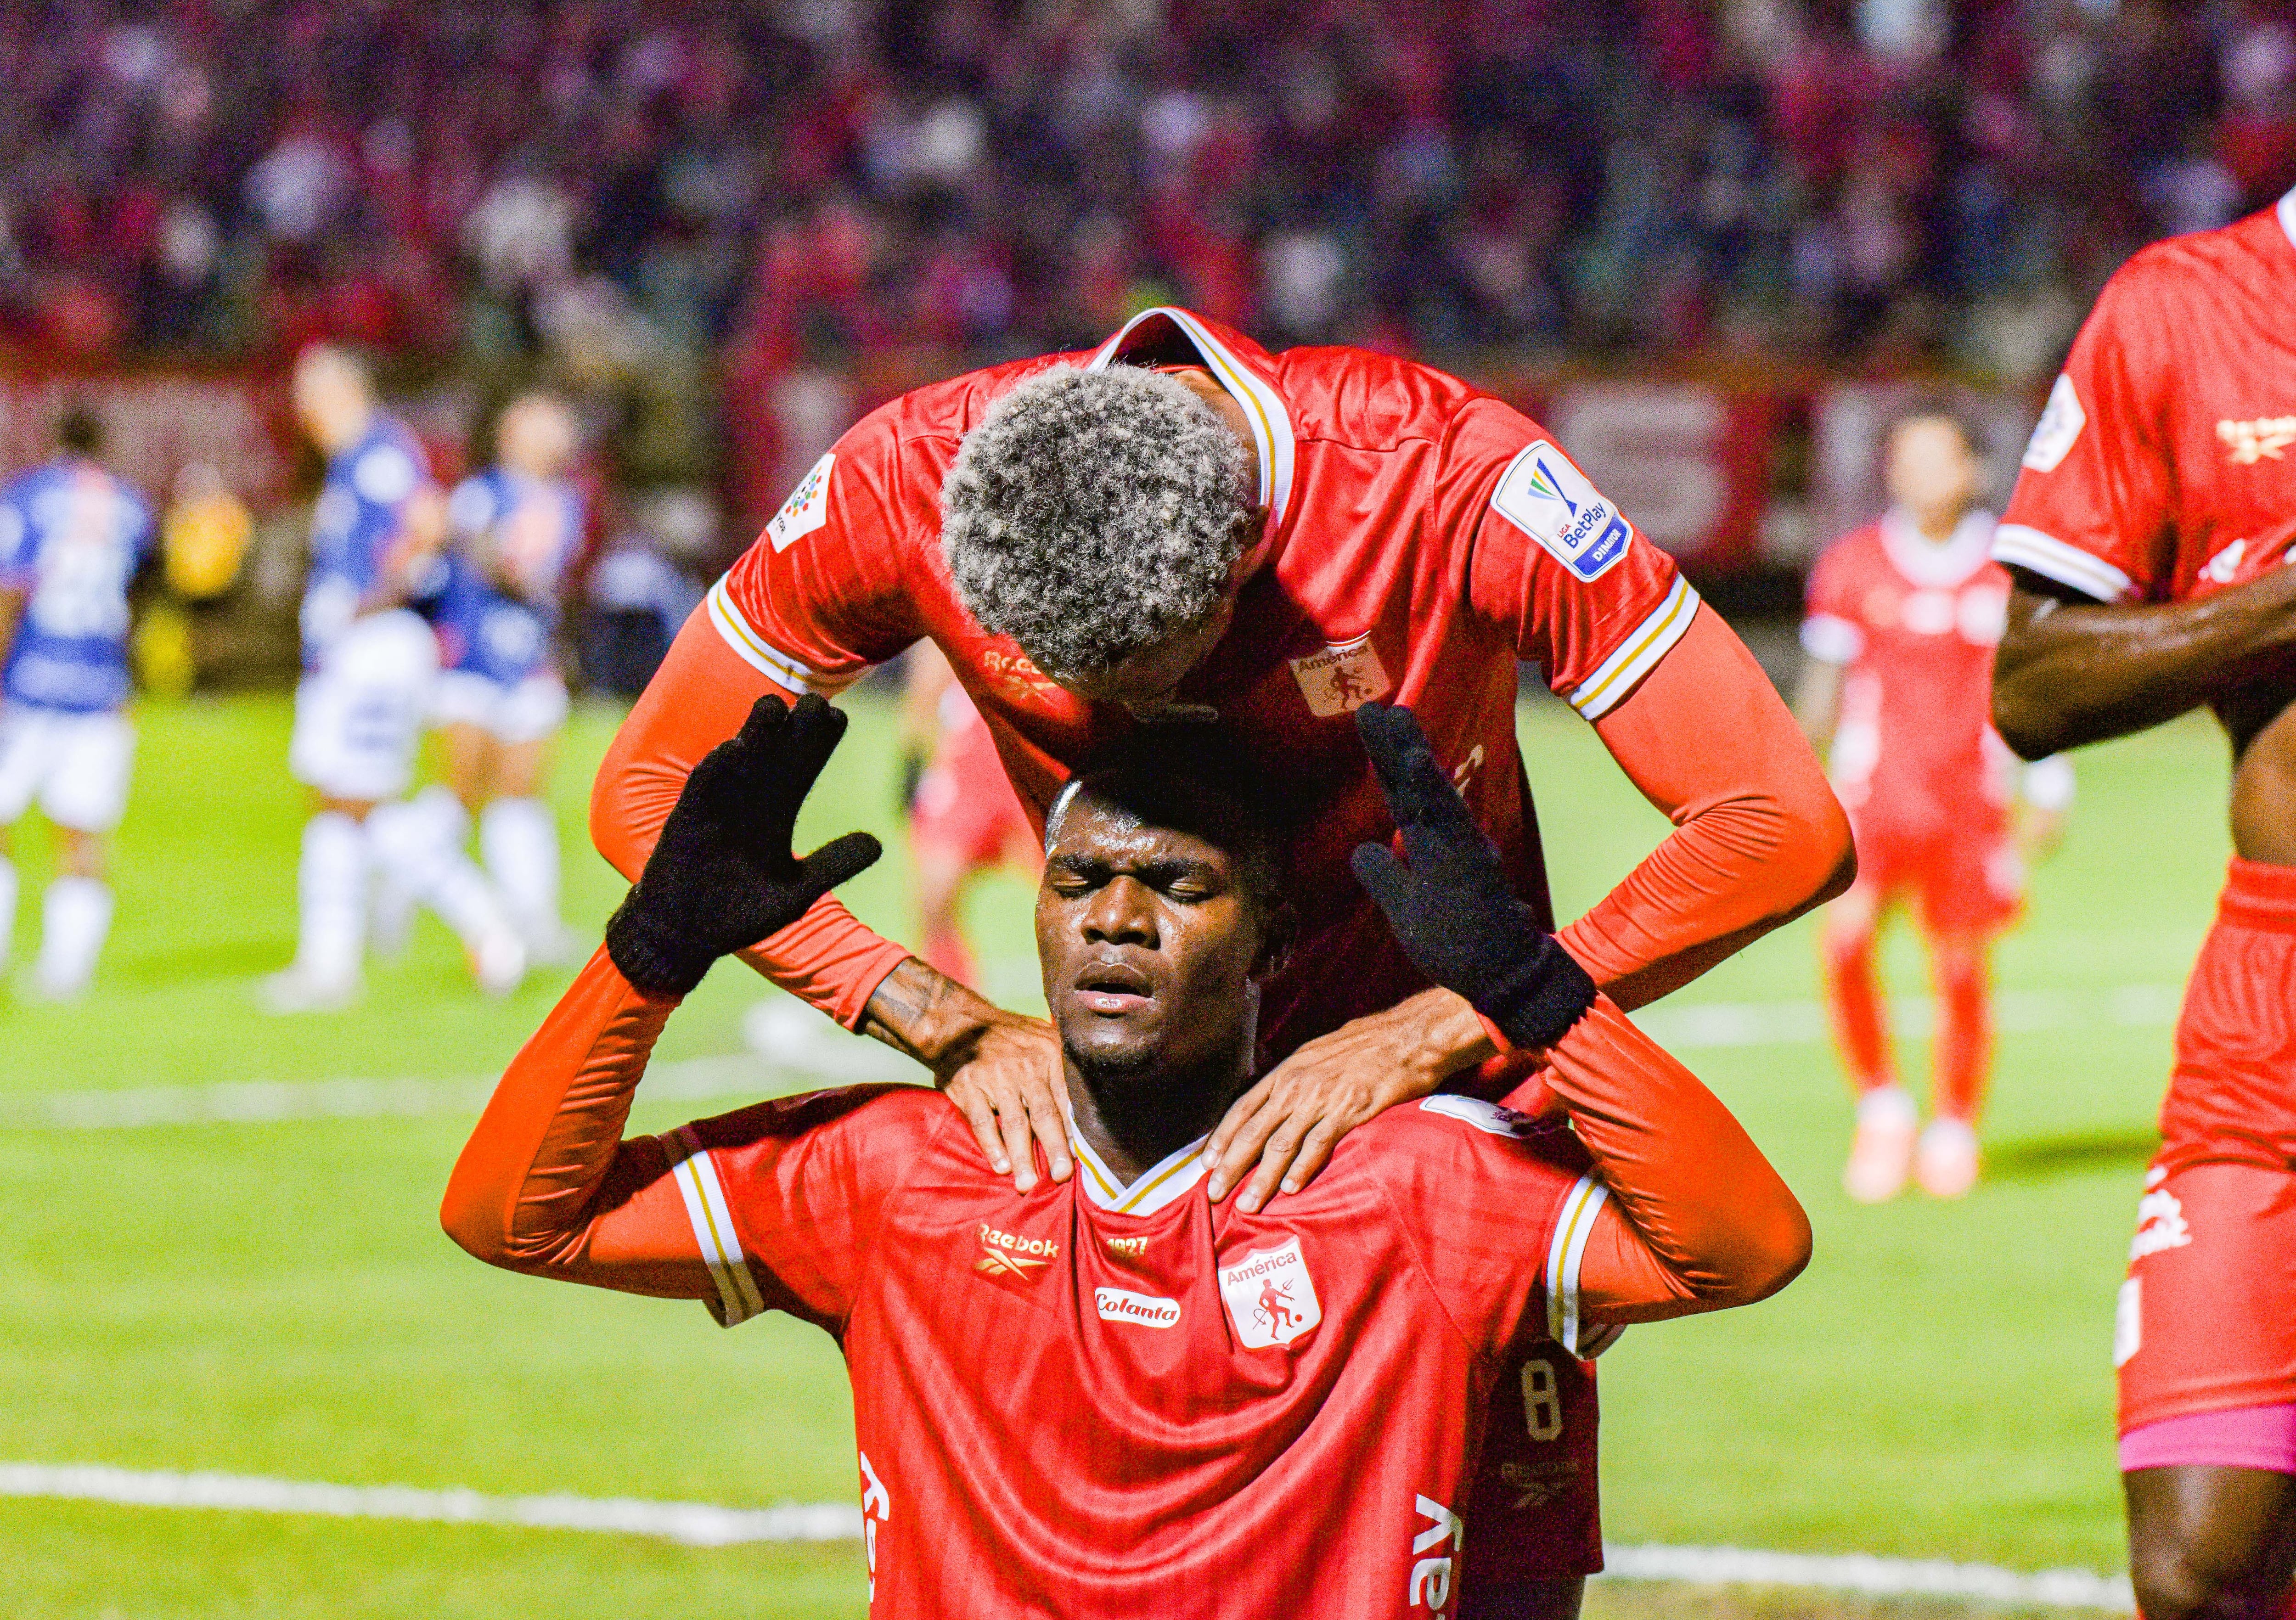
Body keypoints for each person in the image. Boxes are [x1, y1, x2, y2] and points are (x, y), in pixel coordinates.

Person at [589, 307, 1851, 1614]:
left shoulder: (1446, 474)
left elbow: (1777, 823)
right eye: (1059, 686)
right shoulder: (904, 475)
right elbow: (649, 792)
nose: (1120, 721)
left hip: (1443, 1127)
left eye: (1143, 673)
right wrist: (926, 1009)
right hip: (1145, 1121)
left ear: (1248, 553)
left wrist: (1444, 1026)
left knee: (1496, 1578)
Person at [445, 694, 1810, 1617]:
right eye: (1077, 878)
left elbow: (1745, 1244)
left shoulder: (1408, 1187)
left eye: (1175, 885)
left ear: (1272, 939)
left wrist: (1528, 990)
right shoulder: (902, 1170)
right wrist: (649, 953)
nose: (1113, 918)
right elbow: (514, 1217)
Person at [1989, 183, 2296, 1620]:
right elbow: (2031, 684)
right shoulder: (2184, 306)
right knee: (2197, 1563)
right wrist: (2277, 605)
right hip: (2270, 997)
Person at [1796, 408, 2073, 1202]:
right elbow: (1822, 693)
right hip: (1874, 798)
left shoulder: (2010, 569)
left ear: (1972, 470)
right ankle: (1883, 1109)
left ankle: (1954, 1125)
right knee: (1844, 944)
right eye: (1906, 460)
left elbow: (2036, 687)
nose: (1922, 475)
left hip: (1969, 805)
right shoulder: (1852, 566)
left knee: (1959, 968)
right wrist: (1794, 786)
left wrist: (2049, 784)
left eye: (1938, 459)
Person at [260, 344, 525, 1012]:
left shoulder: (378, 453)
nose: (302, 410)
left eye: (311, 393)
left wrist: (369, 601)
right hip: (354, 649)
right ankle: (330, 963)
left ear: (346, 392)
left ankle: (483, 920)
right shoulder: (355, 462)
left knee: (357, 804)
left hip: (373, 648)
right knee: (334, 804)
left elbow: (428, 524)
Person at [419, 391, 586, 963]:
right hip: (472, 660)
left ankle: (531, 920)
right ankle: (416, 882)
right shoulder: (480, 493)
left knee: (520, 794)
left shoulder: (564, 502)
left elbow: (531, 572)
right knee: (461, 791)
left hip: (528, 659)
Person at [0, 407, 155, 1000]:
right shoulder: (132, 506)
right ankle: (66, 973)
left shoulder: (30, 498)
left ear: (51, 441)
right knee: (82, 833)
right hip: (99, 687)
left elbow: (12, 591)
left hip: (32, 683)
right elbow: (138, 599)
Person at [900, 639, 1040, 991]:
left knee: (1072, 901)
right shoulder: (960, 594)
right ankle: (952, 1017)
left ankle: (1083, 1023)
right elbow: (929, 661)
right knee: (934, 897)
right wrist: (913, 760)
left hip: (1032, 760)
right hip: (966, 768)